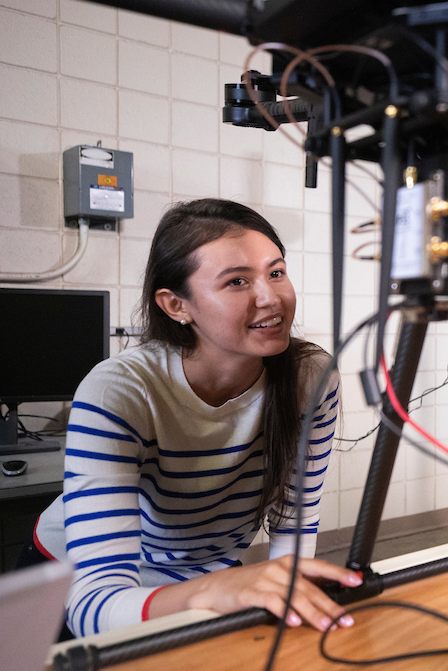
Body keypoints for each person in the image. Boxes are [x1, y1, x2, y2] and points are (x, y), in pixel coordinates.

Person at [24, 199, 360, 637]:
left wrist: (289, 605)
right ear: (176, 305)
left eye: (276, 272)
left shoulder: (311, 378)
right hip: (80, 582)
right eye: (237, 281)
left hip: (205, 579)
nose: (270, 297)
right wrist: (217, 589)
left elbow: (293, 519)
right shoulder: (121, 391)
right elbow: (94, 608)